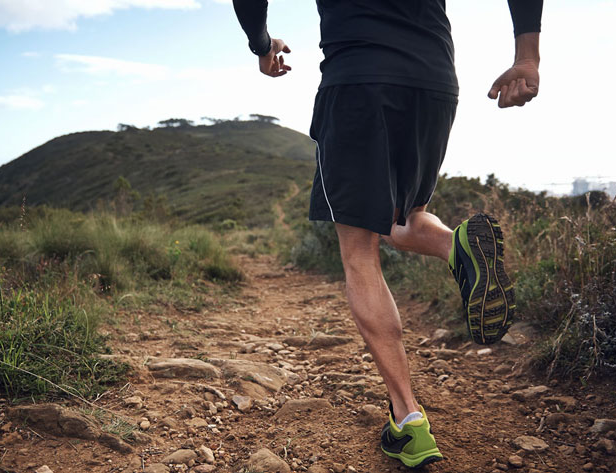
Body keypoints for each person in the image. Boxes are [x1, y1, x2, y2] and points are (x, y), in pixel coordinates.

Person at [232, 0, 543, 468]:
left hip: (358, 79)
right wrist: (527, 57)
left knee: (359, 251)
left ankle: (408, 419)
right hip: (434, 79)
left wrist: (261, 44)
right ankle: (454, 244)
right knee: (404, 216)